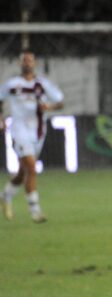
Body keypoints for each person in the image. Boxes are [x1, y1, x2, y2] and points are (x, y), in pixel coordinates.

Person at [0, 51, 64, 223]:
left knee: (23, 173)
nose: (27, 63)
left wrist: (49, 106)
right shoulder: (12, 84)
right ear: (20, 64)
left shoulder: (43, 84)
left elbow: (60, 102)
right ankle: (35, 211)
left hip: (38, 132)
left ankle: (5, 196)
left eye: (30, 60)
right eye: (24, 60)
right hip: (19, 131)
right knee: (32, 168)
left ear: (35, 63)